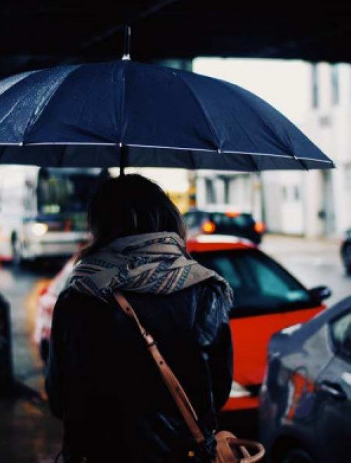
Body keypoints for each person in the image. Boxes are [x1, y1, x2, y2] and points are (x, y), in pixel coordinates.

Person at [46, 174, 234, 463]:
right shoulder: (204, 290)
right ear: (167, 217)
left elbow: (60, 399)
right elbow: (216, 392)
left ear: (100, 226)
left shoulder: (78, 297)